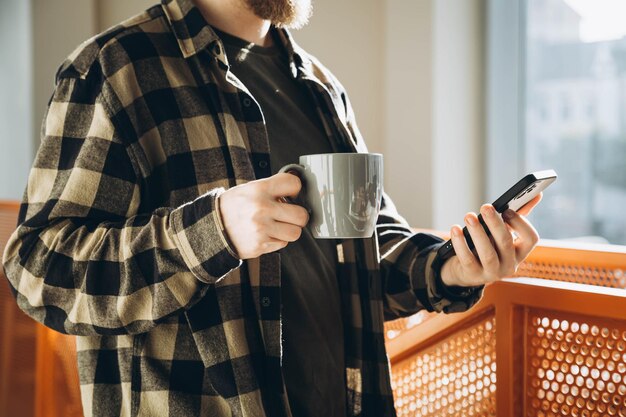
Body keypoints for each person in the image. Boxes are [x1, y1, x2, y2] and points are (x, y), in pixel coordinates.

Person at [1, 0, 541, 416]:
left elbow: (365, 257)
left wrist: (451, 266)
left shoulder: (321, 86)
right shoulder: (115, 70)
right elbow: (38, 270)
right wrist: (213, 231)